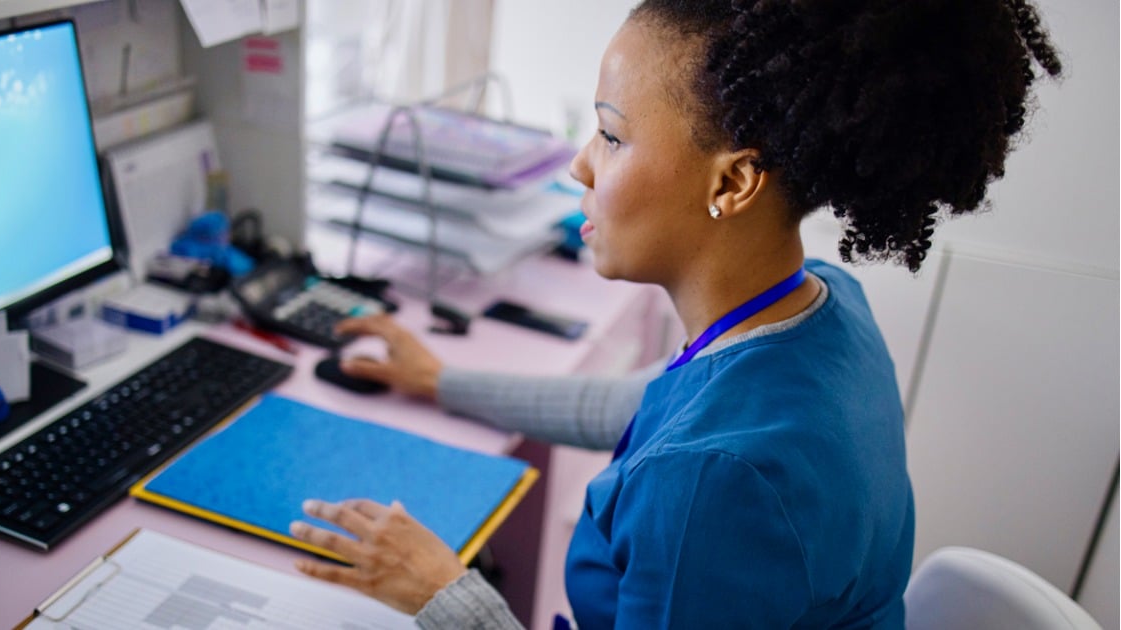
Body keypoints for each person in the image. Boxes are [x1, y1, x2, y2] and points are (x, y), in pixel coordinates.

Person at [288, 0, 1062, 627]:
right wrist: (440, 380)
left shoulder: (709, 483)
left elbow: (690, 453)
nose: (580, 162)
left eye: (613, 134)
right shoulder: (822, 309)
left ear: (732, 184)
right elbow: (639, 407)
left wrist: (442, 593)